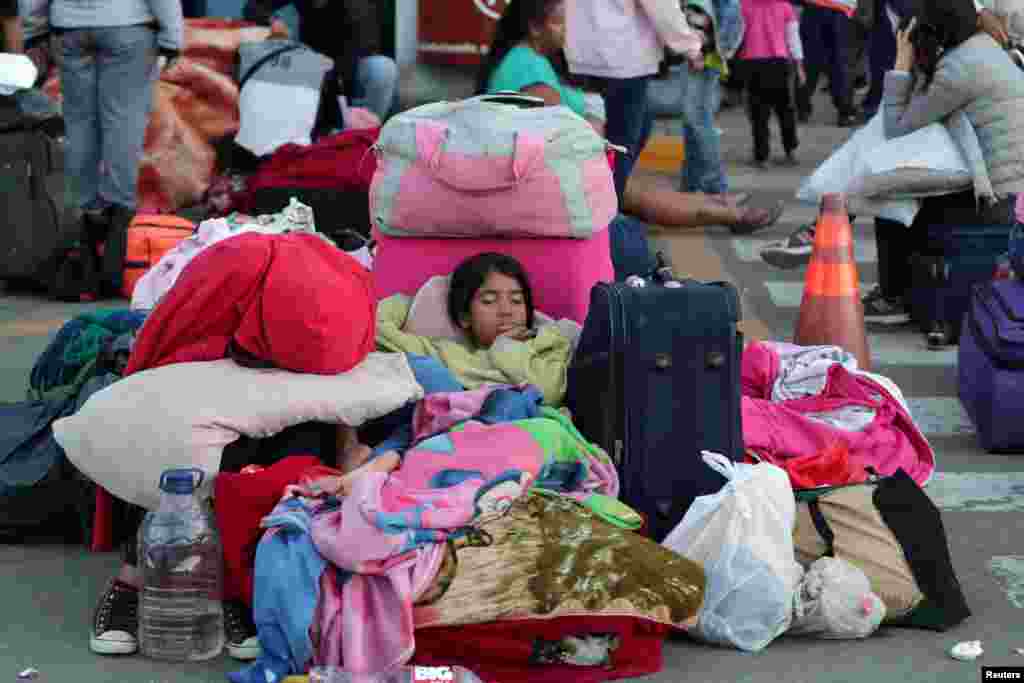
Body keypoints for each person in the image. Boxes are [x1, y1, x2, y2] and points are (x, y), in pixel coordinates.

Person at [766, 0, 1024, 326]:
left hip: (999, 195)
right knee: (887, 171)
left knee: (889, 192)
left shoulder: (959, 70)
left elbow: (897, 125)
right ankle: (841, 234)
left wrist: (902, 65)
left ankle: (887, 290)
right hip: (994, 180)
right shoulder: (978, 48)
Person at [478, 0, 784, 245]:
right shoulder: (529, 68)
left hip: (572, 157)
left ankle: (724, 207)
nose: (566, 30)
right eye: (560, 22)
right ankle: (727, 212)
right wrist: (692, 45)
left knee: (636, 191)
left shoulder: (531, 59)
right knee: (632, 198)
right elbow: (559, 134)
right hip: (570, 165)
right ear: (535, 27)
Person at [51, 0, 182, 299]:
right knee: (123, 124)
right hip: (128, 24)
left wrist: (34, 28)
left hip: (69, 26)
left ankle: (83, 230)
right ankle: (115, 238)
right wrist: (172, 36)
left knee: (79, 125)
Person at [565, 0, 704, 202]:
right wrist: (691, 47)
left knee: (608, 137)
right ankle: (606, 213)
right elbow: (661, 7)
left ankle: (597, 202)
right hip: (623, 59)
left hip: (578, 56)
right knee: (620, 145)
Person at [242, 0, 398, 121]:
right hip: (316, 62)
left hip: (354, 64)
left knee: (383, 69)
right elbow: (253, 8)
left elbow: (347, 61)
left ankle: (363, 141)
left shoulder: (356, 9)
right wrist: (273, 21)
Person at [679, 0, 747, 200]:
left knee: (698, 119)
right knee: (693, 121)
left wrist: (712, 53)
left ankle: (715, 186)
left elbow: (732, 11)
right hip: (698, 52)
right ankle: (691, 183)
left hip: (702, 56)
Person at [736, 0, 806, 168]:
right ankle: (790, 151)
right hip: (779, 63)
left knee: (759, 112)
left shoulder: (743, 6)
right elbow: (793, 38)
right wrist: (799, 65)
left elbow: (737, 35)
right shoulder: (785, 7)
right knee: (785, 110)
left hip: (753, 63)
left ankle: (762, 157)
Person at [794, 1, 860, 126]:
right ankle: (845, 112)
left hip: (814, 7)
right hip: (841, 8)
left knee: (810, 60)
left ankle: (802, 107)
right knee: (840, 62)